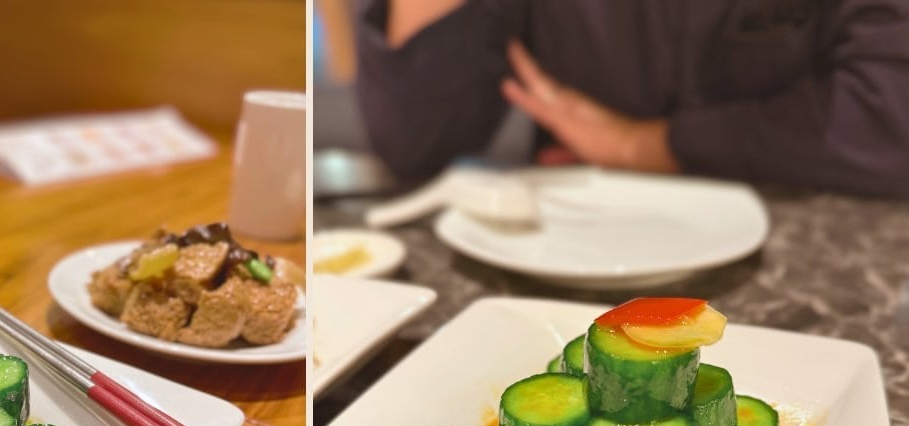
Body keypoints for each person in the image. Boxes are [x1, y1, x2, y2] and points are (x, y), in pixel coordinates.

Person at [354, 0, 909, 198]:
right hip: (567, 252)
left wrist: (645, 145)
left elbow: (891, 119)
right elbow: (415, 140)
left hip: (806, 242)